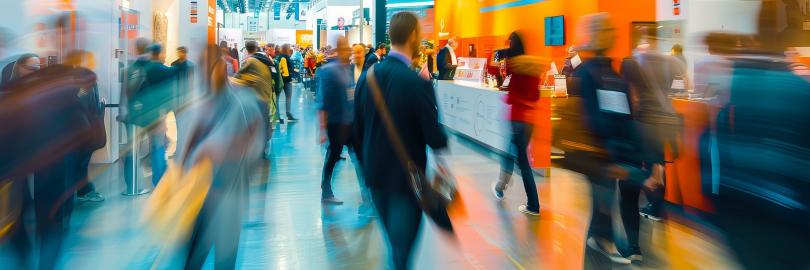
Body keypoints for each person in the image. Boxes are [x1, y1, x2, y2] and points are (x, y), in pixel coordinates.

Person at [712, 1, 810, 269]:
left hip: (742, 215)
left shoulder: (738, 83)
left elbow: (716, 147)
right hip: (788, 222)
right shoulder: (799, 90)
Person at [354, 11, 449, 269]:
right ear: (413, 35)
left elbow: (357, 129)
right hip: (406, 180)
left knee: (395, 248)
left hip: (374, 176)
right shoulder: (417, 83)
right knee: (401, 253)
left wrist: (366, 161)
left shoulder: (368, 77)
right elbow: (435, 138)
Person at [562, 12, 649, 265]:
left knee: (602, 212)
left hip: (611, 156)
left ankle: (601, 244)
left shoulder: (612, 73)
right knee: (603, 208)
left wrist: (632, 155)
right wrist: (614, 156)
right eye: (607, 30)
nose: (613, 34)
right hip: (599, 157)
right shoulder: (588, 74)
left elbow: (625, 117)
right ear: (596, 34)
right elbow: (592, 119)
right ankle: (602, 243)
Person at [181, 44, 265, 270]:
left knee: (225, 257)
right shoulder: (203, 102)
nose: (206, 72)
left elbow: (252, 142)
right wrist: (184, 169)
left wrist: (218, 150)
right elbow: (193, 139)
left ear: (221, 66)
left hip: (228, 194)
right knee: (193, 256)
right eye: (202, 66)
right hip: (199, 195)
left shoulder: (242, 100)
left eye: (210, 65)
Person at [490, 32, 544, 216]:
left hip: (516, 119)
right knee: (512, 155)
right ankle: (501, 185)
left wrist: (510, 98)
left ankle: (533, 204)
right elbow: (536, 96)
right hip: (529, 121)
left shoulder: (513, 66)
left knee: (518, 160)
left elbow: (510, 93)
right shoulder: (533, 69)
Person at [122, 43, 177, 187]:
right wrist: (165, 112)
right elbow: (170, 94)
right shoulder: (163, 70)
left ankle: (131, 185)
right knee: (158, 146)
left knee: (133, 149)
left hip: (136, 115)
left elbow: (127, 94)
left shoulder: (132, 69)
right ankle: (159, 182)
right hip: (156, 115)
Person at [317, 36, 365, 205]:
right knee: (333, 157)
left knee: (358, 157)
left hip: (350, 123)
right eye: (344, 48)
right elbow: (322, 102)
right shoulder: (329, 71)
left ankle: (366, 193)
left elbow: (350, 95)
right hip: (336, 124)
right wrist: (322, 129)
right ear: (338, 49)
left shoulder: (347, 69)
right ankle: (326, 191)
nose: (348, 52)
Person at [264, 43, 285, 123]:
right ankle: (275, 118)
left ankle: (277, 117)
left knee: (275, 103)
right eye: (272, 50)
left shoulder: (273, 61)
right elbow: (275, 76)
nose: (274, 51)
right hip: (272, 86)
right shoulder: (271, 62)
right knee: (273, 103)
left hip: (274, 86)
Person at [276, 44, 297, 122]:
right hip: (287, 80)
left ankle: (277, 116)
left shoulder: (278, 57)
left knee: (277, 98)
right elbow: (292, 67)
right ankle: (288, 115)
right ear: (287, 49)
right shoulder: (287, 57)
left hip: (279, 80)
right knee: (288, 97)